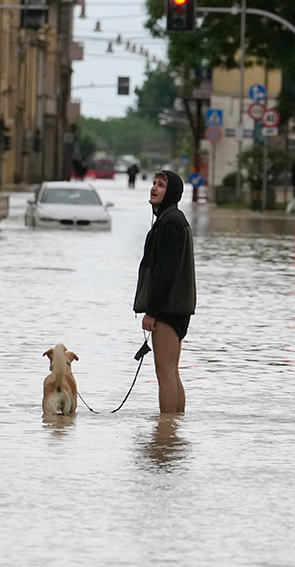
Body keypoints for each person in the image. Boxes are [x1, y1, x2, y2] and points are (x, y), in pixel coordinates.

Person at [134, 171, 196, 413]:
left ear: (171, 193)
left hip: (168, 308)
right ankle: (174, 426)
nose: (154, 188)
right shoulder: (173, 219)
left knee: (165, 372)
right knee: (171, 371)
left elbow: (165, 272)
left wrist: (152, 312)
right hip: (177, 306)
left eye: (161, 185)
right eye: (154, 183)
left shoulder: (170, 223)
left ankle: (166, 430)